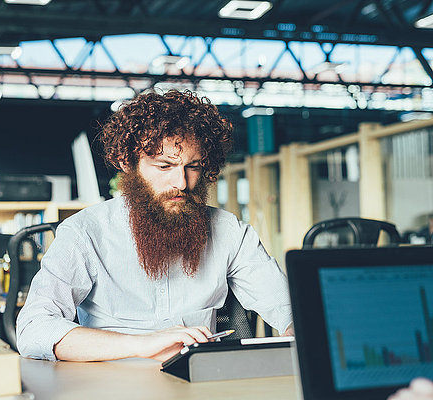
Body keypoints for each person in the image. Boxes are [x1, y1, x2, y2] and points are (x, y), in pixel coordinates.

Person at [16, 90, 294, 362]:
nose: (182, 183)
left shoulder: (230, 231)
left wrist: (299, 330)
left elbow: (291, 310)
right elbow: (34, 329)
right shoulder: (84, 233)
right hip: (111, 384)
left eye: (193, 166)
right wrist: (141, 345)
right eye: (164, 167)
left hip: (197, 384)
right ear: (128, 163)